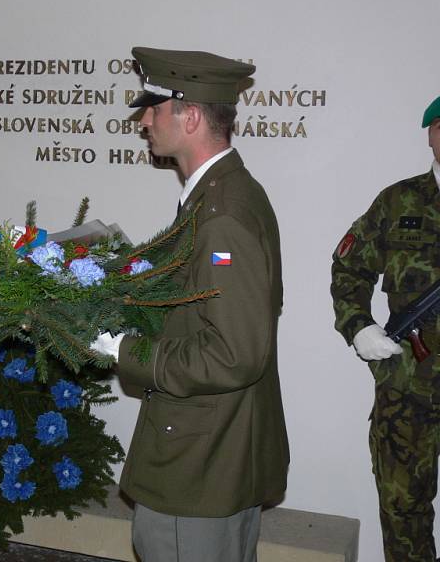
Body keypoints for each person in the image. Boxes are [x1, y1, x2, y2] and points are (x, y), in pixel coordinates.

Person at [91, 48, 289, 562]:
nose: (144, 120)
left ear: (192, 116)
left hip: (202, 458)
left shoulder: (222, 214)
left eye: (153, 108)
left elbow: (234, 353)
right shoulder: (225, 195)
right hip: (215, 446)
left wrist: (122, 350)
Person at [330, 95, 440, 562]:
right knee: (402, 512)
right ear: (431, 134)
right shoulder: (398, 201)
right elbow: (348, 268)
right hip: (408, 389)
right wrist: (359, 328)